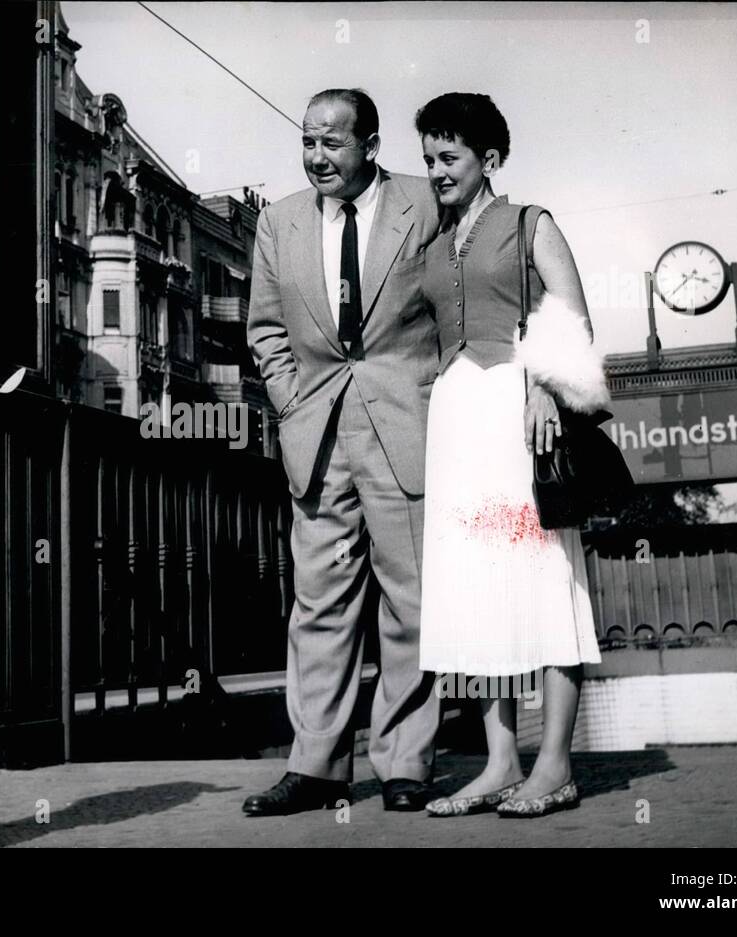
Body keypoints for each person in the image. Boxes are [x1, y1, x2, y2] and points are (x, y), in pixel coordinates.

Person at [243, 89, 444, 816]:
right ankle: (319, 766)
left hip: (408, 426)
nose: (317, 155)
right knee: (318, 604)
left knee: (410, 600)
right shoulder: (278, 221)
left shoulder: (425, 203)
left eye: (332, 141)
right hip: (317, 435)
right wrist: (291, 397)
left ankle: (404, 763)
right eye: (307, 141)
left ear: (371, 144)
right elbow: (265, 328)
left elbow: (462, 304)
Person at [414, 93, 606, 818]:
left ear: (489, 159)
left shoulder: (533, 224)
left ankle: (554, 765)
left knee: (545, 576)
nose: (435, 170)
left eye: (449, 157)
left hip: (524, 419)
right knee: (474, 586)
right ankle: (500, 761)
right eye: (428, 157)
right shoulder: (436, 244)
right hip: (459, 422)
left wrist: (547, 391)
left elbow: (571, 313)